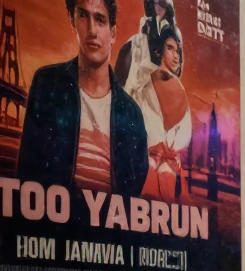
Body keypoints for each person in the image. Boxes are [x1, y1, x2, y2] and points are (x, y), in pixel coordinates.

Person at [18, 0, 149, 197]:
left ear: (113, 33)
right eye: (83, 16)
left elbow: (132, 193)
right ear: (72, 21)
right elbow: (28, 174)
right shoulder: (48, 85)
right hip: (52, 224)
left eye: (100, 19)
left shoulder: (132, 114)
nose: (92, 30)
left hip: (108, 226)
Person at [123, 21, 191, 199]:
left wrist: (170, 153)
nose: (176, 55)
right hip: (146, 167)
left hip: (170, 171)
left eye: (178, 51)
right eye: (170, 48)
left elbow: (184, 132)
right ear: (159, 51)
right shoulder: (143, 83)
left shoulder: (181, 91)